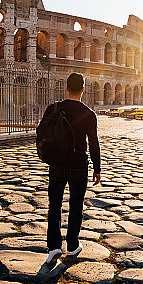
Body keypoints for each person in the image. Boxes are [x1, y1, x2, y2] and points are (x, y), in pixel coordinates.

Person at [38, 73, 101, 264]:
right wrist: (97, 168)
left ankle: (54, 246)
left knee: (54, 205)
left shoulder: (54, 108)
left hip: (57, 163)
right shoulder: (89, 114)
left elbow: (41, 132)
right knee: (76, 206)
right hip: (79, 165)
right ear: (83, 89)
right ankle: (72, 245)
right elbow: (94, 143)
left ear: (66, 88)